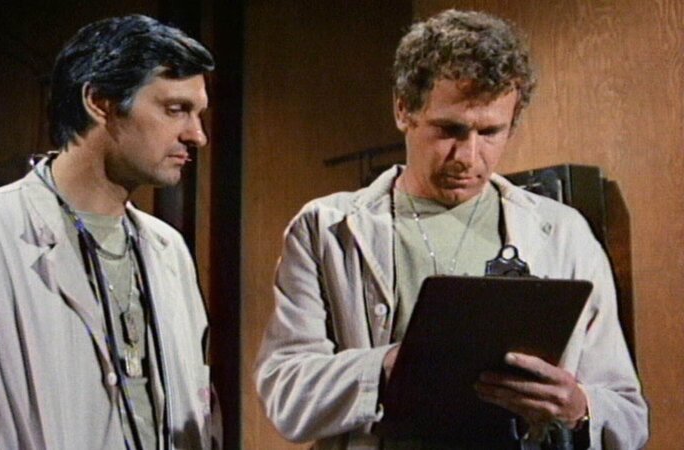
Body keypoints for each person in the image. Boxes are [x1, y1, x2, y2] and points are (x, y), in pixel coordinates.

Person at [254, 9, 648, 449]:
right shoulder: (326, 229)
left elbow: (629, 417)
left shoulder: (563, 233)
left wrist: (578, 407)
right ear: (403, 109)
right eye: (449, 130)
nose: (468, 156)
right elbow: (286, 394)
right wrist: (389, 367)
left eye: (491, 132)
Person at [0, 15, 218, 449]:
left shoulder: (167, 249)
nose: (197, 136)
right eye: (176, 110)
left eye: (198, 114)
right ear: (99, 102)